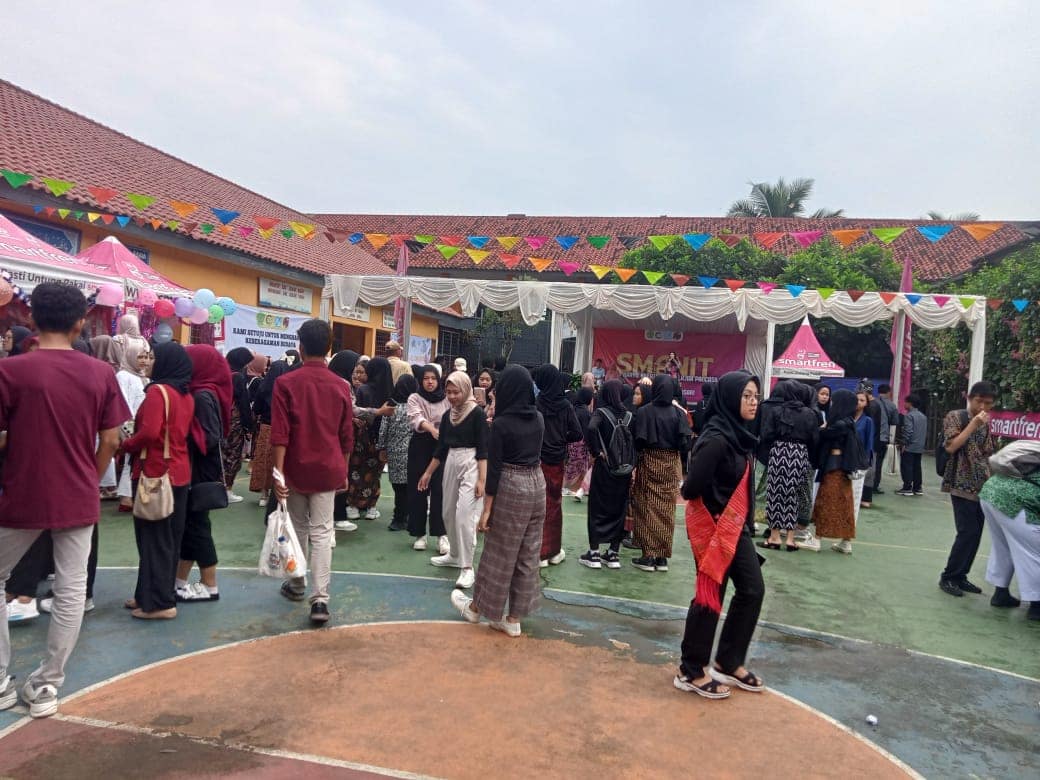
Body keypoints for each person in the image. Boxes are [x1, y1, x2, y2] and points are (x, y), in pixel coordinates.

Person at [0, 283, 128, 719]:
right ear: (80, 323)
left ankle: (1, 679)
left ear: (31, 318)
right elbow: (111, 439)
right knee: (71, 589)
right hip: (77, 493)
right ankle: (47, 685)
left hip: (22, 491)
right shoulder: (101, 374)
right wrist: (89, 476)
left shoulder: (12, 371)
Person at [675, 370, 764, 700]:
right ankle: (690, 670)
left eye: (756, 396)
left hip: (736, 528)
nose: (753, 402)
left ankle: (728, 661)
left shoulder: (739, 435)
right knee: (710, 596)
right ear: (729, 398)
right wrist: (716, 508)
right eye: (746, 396)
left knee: (752, 590)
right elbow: (691, 487)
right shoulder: (716, 439)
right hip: (714, 528)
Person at [449, 365, 546, 637]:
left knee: (499, 552)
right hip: (537, 483)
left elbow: (494, 471)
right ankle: (513, 618)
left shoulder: (502, 424)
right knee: (528, 554)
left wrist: (487, 510)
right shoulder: (538, 418)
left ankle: (476, 609)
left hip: (511, 485)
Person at [271, 320, 353, 624]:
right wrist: (343, 468)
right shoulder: (341, 385)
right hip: (329, 467)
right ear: (329, 348)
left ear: (301, 347)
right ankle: (320, 600)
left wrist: (278, 474)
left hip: (295, 467)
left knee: (298, 528)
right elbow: (346, 435)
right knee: (322, 532)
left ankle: (297, 583)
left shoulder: (286, 383)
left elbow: (280, 434)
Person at [121, 342, 195, 620]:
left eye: (152, 357)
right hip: (178, 473)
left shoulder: (156, 392)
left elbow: (150, 433)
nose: (147, 362)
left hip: (155, 473)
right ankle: (149, 594)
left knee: (152, 539)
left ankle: (160, 603)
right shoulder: (185, 394)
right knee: (168, 539)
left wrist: (125, 445)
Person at [418, 372, 487, 589]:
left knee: (464, 515)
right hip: (451, 460)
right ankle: (455, 554)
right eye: (448, 392)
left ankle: (467, 567)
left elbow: (483, 449)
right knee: (447, 511)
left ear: (465, 390)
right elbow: (441, 448)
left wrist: (482, 479)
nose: (452, 396)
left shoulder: (477, 413)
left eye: (456, 392)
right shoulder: (449, 415)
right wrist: (428, 472)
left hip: (471, 461)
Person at [175, 345, 233, 604]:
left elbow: (209, 436)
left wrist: (180, 437)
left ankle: (210, 584)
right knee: (192, 525)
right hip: (201, 468)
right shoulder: (206, 391)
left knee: (197, 526)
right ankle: (179, 581)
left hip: (198, 470)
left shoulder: (201, 395)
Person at [938, 381, 997, 598]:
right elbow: (952, 446)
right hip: (960, 482)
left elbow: (987, 452)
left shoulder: (985, 423)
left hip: (981, 484)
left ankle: (961, 575)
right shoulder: (955, 417)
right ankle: (948, 576)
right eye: (979, 401)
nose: (983, 407)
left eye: (988, 403)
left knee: (976, 533)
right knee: (966, 532)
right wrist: (973, 424)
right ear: (970, 398)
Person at [631, 374, 692, 572]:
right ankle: (662, 557)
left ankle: (648, 556)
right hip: (671, 463)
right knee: (667, 510)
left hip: (650, 460)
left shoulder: (645, 411)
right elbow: (685, 444)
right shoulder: (678, 413)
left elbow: (639, 441)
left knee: (647, 507)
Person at [531, 364, 583, 568]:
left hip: (538, 459)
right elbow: (577, 433)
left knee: (538, 505)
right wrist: (561, 439)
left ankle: (539, 552)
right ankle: (552, 551)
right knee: (554, 504)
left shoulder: (536, 403)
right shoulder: (565, 405)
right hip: (557, 461)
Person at [579, 380, 634, 570]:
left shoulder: (601, 413)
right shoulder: (629, 416)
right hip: (624, 470)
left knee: (597, 508)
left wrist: (597, 451)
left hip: (605, 468)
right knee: (619, 510)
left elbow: (591, 428)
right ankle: (613, 553)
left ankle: (594, 553)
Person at [760, 381, 819, 551]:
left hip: (779, 452)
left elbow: (766, 434)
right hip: (800, 454)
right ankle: (790, 540)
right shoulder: (810, 414)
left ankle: (774, 537)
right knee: (793, 495)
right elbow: (814, 439)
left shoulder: (777, 411)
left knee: (775, 494)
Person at [978, 459, 1040, 620]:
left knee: (1004, 546)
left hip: (993, 491)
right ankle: (1037, 606)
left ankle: (1001, 593)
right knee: (1034, 553)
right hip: (1017, 499)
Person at [811, 389, 864, 555]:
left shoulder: (839, 424)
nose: (831, 404)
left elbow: (823, 434)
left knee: (826, 501)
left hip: (833, 467)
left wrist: (821, 428)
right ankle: (846, 541)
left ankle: (817, 539)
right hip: (844, 470)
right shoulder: (849, 422)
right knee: (845, 504)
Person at [407, 365, 451, 553]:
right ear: (420, 380)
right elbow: (416, 417)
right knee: (418, 489)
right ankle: (419, 534)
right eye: (426, 378)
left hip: (442, 447)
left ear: (439, 380)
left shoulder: (447, 398)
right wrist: (432, 429)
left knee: (441, 490)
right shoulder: (414, 398)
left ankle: (442, 535)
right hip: (420, 446)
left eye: (433, 378)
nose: (430, 382)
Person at [349, 356, 392, 520]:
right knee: (375, 474)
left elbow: (358, 414)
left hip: (363, 437)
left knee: (356, 471)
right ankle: (371, 507)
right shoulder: (391, 392)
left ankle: (353, 506)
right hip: (382, 439)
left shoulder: (363, 390)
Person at [377, 374, 417, 532]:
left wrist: (382, 448)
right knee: (409, 486)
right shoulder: (416, 407)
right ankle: (406, 516)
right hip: (411, 451)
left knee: (398, 486)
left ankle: (399, 518)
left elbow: (383, 430)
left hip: (394, 452)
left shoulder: (391, 406)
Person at [250, 357, 292, 507]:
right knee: (279, 461)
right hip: (284, 429)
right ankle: (279, 493)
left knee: (263, 461)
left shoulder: (264, 386)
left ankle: (263, 494)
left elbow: (256, 408)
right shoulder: (289, 388)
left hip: (266, 427)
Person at [114, 336, 148, 512]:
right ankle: (126, 497)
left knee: (135, 460)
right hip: (129, 423)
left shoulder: (143, 377)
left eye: (146, 357)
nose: (144, 361)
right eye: (140, 357)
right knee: (130, 459)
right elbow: (122, 401)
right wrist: (129, 425)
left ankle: (129, 496)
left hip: (142, 423)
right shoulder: (123, 375)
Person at [222, 347, 256, 504]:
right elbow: (243, 403)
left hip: (220, 420)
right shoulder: (239, 377)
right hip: (235, 422)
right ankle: (227, 490)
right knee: (233, 455)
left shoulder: (222, 373)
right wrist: (249, 425)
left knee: (221, 455)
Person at [563, 387, 593, 501]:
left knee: (574, 466)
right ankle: (566, 487)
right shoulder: (585, 412)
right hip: (580, 444)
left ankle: (581, 488)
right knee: (577, 466)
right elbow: (587, 430)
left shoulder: (574, 408)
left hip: (571, 442)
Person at [896, 394, 927, 497]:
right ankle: (917, 488)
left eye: (905, 402)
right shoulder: (923, 417)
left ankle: (907, 487)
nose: (904, 404)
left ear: (910, 403)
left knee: (906, 467)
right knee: (917, 467)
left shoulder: (909, 416)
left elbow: (908, 431)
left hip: (909, 446)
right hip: (919, 446)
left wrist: (904, 443)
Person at [872, 384, 899, 494]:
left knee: (868, 461)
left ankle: (865, 484)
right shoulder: (892, 405)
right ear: (888, 392)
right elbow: (895, 421)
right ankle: (875, 485)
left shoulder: (872, 402)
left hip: (871, 436)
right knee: (878, 463)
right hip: (883, 438)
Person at [853, 390, 876, 512]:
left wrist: (867, 460)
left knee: (857, 486)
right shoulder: (847, 417)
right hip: (846, 456)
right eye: (857, 399)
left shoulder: (868, 421)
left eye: (862, 400)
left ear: (866, 403)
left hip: (860, 457)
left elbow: (869, 442)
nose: (858, 402)